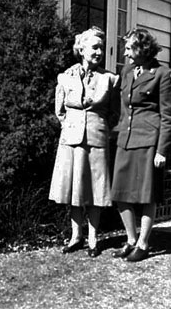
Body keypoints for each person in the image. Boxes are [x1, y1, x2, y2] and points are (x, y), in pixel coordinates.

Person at [49, 26, 120, 257]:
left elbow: (115, 113)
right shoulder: (65, 77)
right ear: (82, 49)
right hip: (71, 139)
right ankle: (75, 236)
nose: (99, 51)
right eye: (95, 47)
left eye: (101, 47)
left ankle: (92, 237)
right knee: (74, 189)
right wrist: (70, 125)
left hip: (97, 138)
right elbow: (59, 110)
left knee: (96, 189)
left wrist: (100, 127)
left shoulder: (109, 79)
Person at [111, 28, 171, 262]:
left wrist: (162, 150)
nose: (126, 53)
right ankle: (130, 239)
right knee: (119, 193)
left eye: (129, 48)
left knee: (147, 195)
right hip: (125, 140)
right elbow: (120, 107)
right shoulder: (127, 71)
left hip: (149, 141)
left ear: (143, 49)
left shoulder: (162, 74)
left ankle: (144, 243)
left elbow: (168, 116)